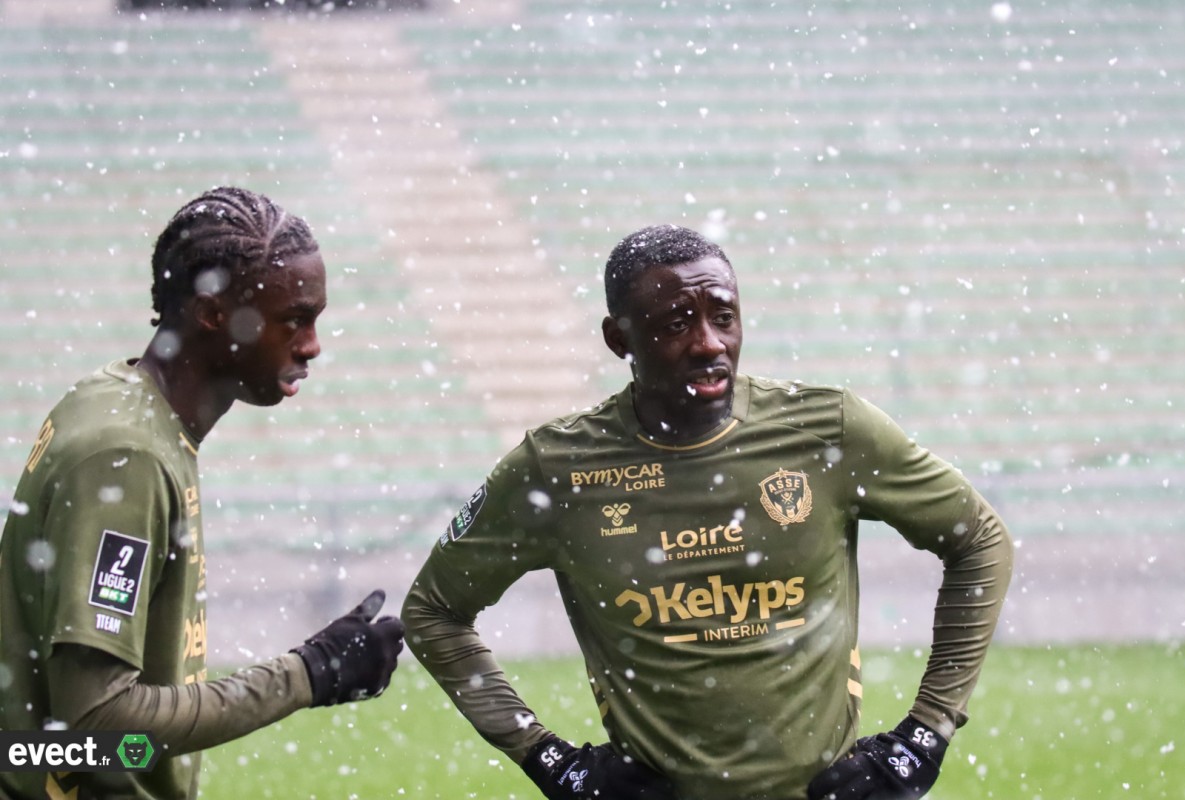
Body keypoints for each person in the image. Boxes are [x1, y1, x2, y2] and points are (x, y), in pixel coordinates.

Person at [402, 224, 1014, 800]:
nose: (708, 343)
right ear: (619, 339)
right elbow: (433, 611)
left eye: (723, 317)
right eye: (675, 324)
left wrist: (925, 734)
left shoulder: (828, 431)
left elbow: (979, 539)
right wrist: (550, 761)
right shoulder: (556, 468)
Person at [0, 187, 406, 800]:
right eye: (295, 319)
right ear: (212, 312)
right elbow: (93, 730)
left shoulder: (121, 403)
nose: (312, 345)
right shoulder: (127, 453)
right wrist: (307, 675)